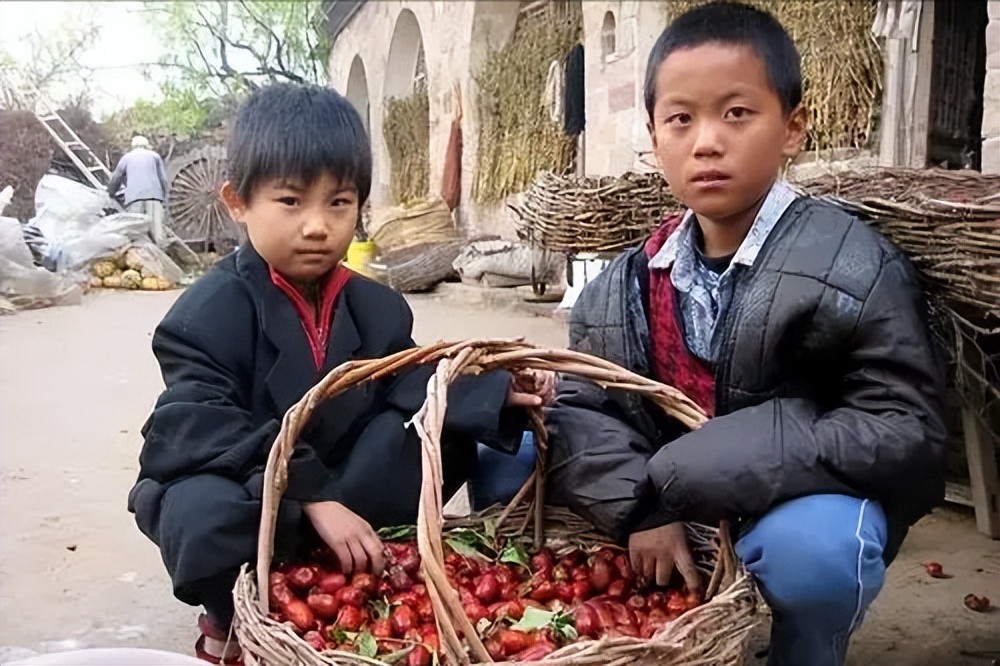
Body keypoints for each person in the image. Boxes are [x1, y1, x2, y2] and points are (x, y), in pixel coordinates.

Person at [545, 4, 946, 666]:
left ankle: (806, 649)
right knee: (513, 463)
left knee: (817, 554)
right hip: (669, 504)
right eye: (681, 119)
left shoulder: (852, 264)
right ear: (654, 135)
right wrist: (641, 509)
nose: (706, 141)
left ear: (793, 127)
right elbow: (582, 408)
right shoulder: (618, 286)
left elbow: (909, 428)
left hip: (793, 504)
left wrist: (737, 455)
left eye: (736, 113)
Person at [127, 84, 555, 665]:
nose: (317, 226)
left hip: (349, 480)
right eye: (291, 201)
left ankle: (340, 586)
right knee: (198, 509)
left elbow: (408, 380)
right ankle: (231, 615)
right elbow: (197, 424)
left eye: (339, 203)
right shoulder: (204, 315)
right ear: (237, 201)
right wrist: (306, 494)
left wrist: (499, 389)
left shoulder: (377, 306)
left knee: (442, 431)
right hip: (258, 488)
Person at [107, 135, 169, 245]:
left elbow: (117, 177)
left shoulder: (127, 158)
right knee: (157, 231)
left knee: (136, 231)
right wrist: (164, 196)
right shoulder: (155, 156)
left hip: (134, 198)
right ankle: (161, 255)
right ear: (146, 145)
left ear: (133, 146)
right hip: (154, 197)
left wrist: (110, 193)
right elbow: (163, 179)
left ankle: (140, 257)